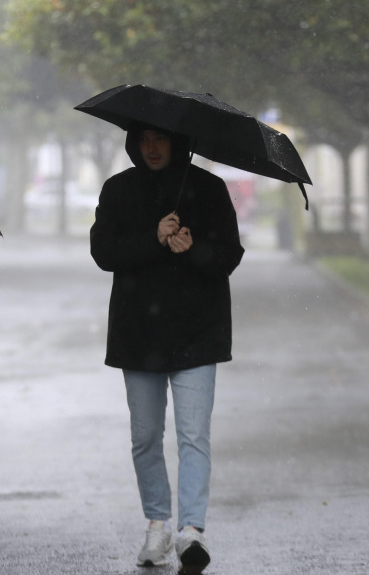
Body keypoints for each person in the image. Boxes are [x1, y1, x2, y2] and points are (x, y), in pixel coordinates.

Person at [90, 124, 244, 575]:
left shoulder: (210, 190)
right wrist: (153, 237)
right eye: (144, 139)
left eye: (160, 138)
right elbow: (104, 251)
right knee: (145, 436)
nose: (152, 147)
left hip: (198, 333)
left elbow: (229, 256)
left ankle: (191, 531)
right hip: (139, 335)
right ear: (135, 144)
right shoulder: (118, 190)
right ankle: (157, 525)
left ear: (178, 141)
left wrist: (193, 249)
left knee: (194, 435)